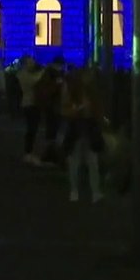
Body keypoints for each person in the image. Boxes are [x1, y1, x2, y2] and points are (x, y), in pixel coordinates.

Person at [61, 69, 106, 203]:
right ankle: (94, 192)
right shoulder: (92, 91)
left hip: (77, 128)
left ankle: (76, 191)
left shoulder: (73, 90)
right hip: (87, 127)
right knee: (90, 161)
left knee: (76, 161)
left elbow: (65, 109)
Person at [17, 57, 44, 164]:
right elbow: (34, 81)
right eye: (30, 62)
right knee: (31, 129)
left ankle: (30, 152)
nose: (32, 64)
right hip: (29, 104)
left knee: (33, 129)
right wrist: (43, 73)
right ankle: (28, 153)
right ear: (24, 64)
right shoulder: (22, 74)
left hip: (33, 103)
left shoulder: (26, 73)